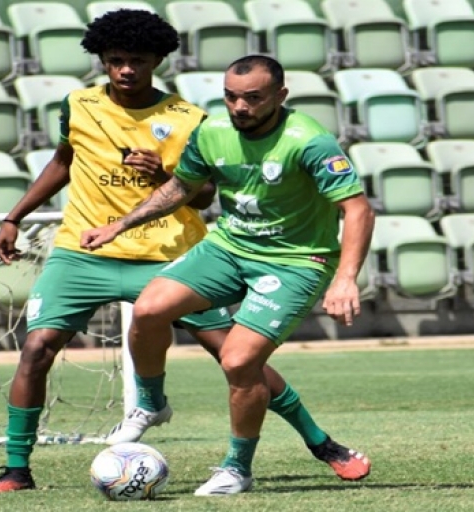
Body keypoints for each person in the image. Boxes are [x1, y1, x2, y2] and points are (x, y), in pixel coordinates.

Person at [0, 10, 370, 494]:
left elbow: (199, 193)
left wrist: (160, 174)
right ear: (101, 60)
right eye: (115, 61)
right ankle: (21, 468)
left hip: (172, 251)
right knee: (39, 347)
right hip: (87, 249)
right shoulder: (78, 105)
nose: (125, 70)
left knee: (238, 359)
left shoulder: (192, 119)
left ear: (157, 61)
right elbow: (64, 161)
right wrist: (18, 216)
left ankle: (314, 444)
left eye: (136, 61)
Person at [80, 55, 375, 496]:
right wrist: (120, 224)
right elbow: (182, 187)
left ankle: (237, 468)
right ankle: (151, 404)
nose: (240, 107)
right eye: (232, 97)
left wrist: (346, 278)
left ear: (280, 96)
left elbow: (357, 209)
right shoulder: (213, 131)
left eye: (253, 98)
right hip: (229, 247)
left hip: (296, 260)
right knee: (149, 309)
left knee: (239, 359)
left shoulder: (309, 140)